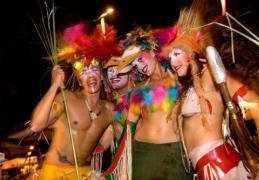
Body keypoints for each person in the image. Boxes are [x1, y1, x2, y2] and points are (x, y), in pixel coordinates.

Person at [162, 5, 259, 179]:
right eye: (169, 57)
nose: (172, 61)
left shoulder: (212, 75)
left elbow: (256, 103)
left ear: (193, 53)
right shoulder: (190, 84)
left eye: (176, 53)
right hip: (205, 169)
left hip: (219, 168)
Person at [30, 22, 121, 179]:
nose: (91, 75)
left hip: (85, 173)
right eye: (84, 72)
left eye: (94, 69)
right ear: (79, 79)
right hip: (55, 173)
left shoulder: (110, 110)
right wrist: (54, 87)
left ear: (101, 74)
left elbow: (123, 135)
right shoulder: (67, 98)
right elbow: (36, 125)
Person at [120, 28, 193, 179]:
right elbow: (129, 126)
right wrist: (120, 160)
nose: (139, 66)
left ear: (152, 52)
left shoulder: (180, 80)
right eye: (135, 64)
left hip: (175, 153)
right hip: (143, 152)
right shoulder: (139, 91)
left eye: (140, 59)